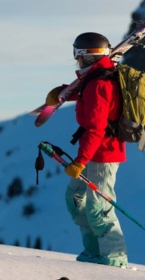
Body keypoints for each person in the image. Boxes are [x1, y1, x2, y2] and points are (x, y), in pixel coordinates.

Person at [45, 32, 128, 268]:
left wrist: (80, 161)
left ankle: (114, 261)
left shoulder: (100, 83)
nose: (75, 60)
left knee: (99, 209)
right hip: (93, 153)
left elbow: (95, 128)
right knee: (75, 200)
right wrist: (64, 92)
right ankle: (93, 253)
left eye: (76, 55)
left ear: (84, 56)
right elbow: (87, 91)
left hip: (103, 154)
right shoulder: (96, 78)